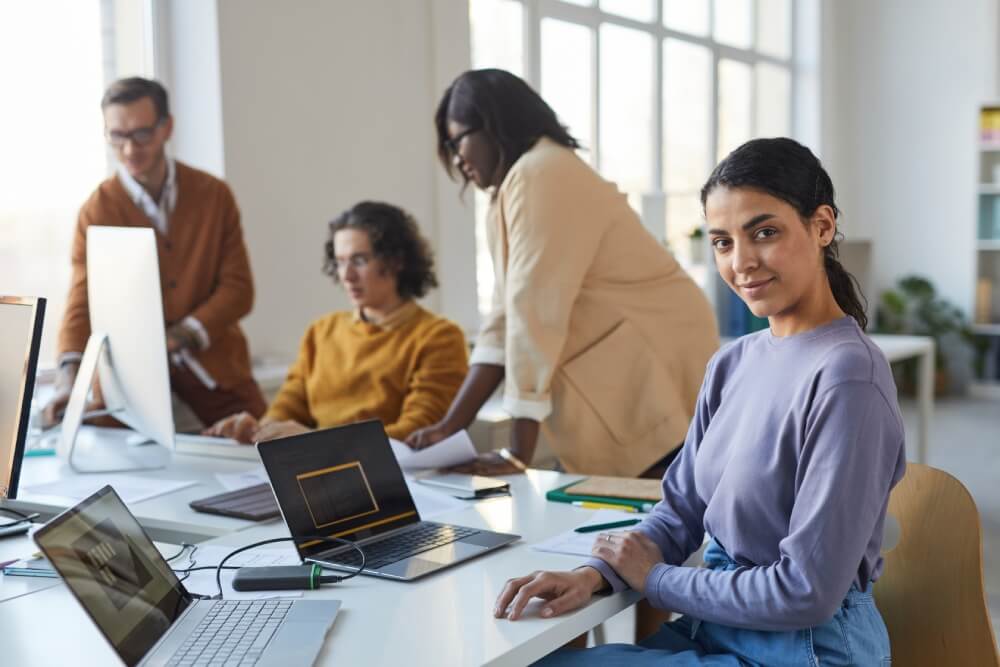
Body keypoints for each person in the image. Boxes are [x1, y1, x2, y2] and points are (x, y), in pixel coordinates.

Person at [493, 137, 907, 665]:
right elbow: (681, 510)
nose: (742, 262)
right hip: (717, 630)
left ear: (822, 226)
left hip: (804, 651)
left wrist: (658, 580)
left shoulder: (848, 377)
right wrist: (594, 575)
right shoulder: (733, 362)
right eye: (722, 242)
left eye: (764, 232)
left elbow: (807, 590)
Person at [408, 69, 718, 478]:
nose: (457, 156)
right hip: (626, 359)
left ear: (494, 125)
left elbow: (533, 315)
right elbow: (503, 321)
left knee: (659, 510)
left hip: (654, 352)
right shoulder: (514, 188)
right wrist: (451, 427)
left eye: (458, 138)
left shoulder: (543, 173)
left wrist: (518, 453)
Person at [43, 77, 265, 430]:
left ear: (167, 128)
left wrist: (178, 337)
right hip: (129, 385)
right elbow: (82, 301)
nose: (130, 150)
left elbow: (238, 290)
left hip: (217, 374)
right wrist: (67, 379)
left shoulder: (213, 195)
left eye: (142, 134)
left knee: (261, 450)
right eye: (117, 136)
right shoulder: (97, 210)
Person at [204, 201, 468, 444]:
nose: (347, 275)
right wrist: (259, 430)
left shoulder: (439, 338)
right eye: (340, 262)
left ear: (397, 261)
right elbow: (290, 404)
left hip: (393, 481)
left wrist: (316, 441)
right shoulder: (322, 331)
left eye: (360, 260)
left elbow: (414, 433)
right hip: (320, 472)